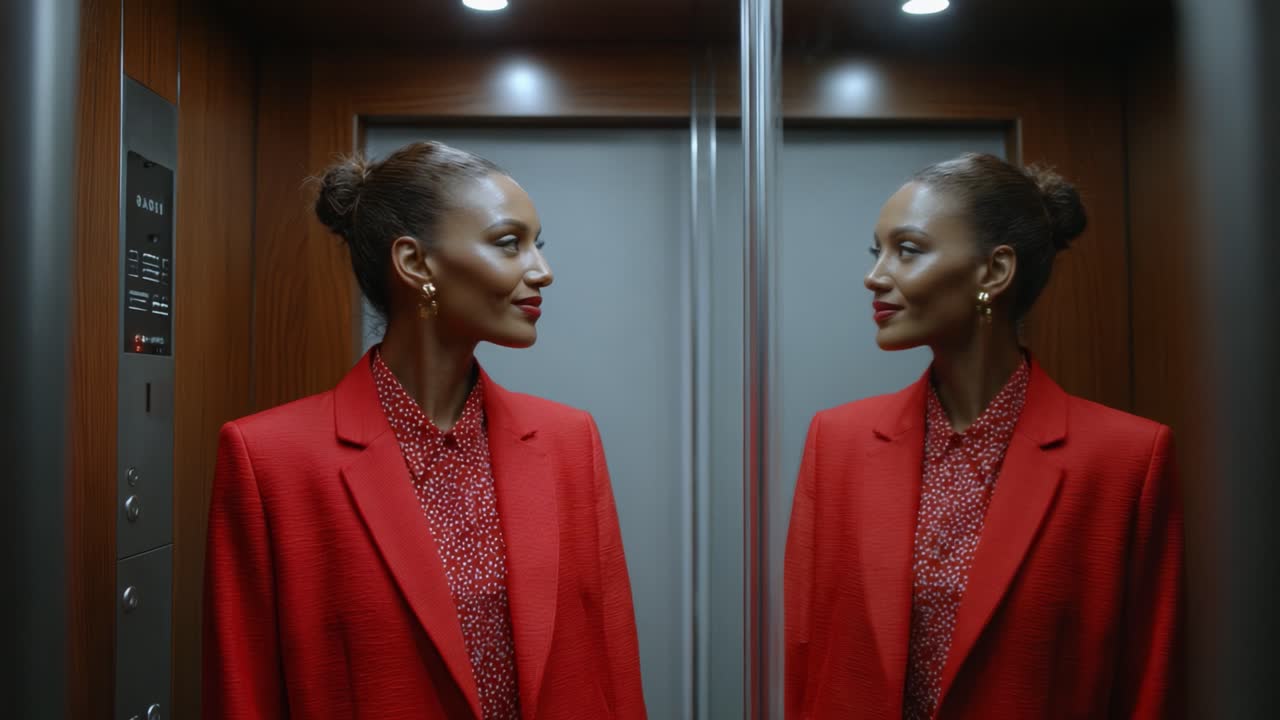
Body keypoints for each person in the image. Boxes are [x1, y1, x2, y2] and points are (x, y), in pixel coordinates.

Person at [204, 141, 648, 719]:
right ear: (415, 263)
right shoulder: (270, 462)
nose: (542, 270)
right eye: (509, 243)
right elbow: (245, 695)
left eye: (537, 246)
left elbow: (611, 664)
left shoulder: (569, 442)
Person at [783, 153, 1184, 719]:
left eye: (909, 249)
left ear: (993, 272)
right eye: (878, 252)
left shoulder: (1125, 461)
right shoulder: (837, 443)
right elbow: (806, 657)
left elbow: (1148, 683)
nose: (875, 276)